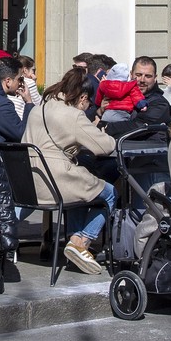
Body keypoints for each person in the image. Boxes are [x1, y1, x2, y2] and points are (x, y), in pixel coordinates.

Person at [23, 68, 116, 275]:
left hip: (30, 184)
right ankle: (82, 242)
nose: (88, 106)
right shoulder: (74, 115)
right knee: (109, 193)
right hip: (55, 184)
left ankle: (73, 243)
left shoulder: (41, 107)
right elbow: (106, 147)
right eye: (89, 103)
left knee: (81, 187)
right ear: (83, 97)